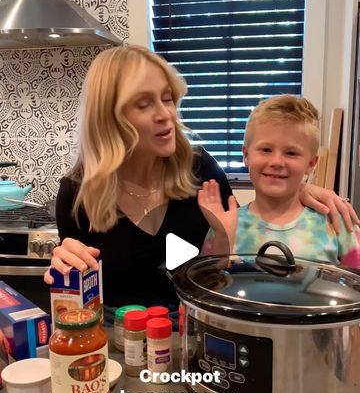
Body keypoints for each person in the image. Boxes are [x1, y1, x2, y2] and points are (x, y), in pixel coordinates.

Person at [44, 47, 359, 317]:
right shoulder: (76, 194)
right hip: (118, 343)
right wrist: (65, 270)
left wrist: (301, 187)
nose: (166, 114)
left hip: (196, 333)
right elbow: (78, 295)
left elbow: (234, 238)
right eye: (144, 104)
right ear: (108, 117)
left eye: (167, 99)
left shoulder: (200, 170)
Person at [198, 94, 360, 267]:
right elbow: (207, 287)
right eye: (266, 149)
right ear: (246, 155)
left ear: (311, 163)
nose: (276, 162)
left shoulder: (336, 223)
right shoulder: (225, 225)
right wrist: (223, 237)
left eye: (291, 153)